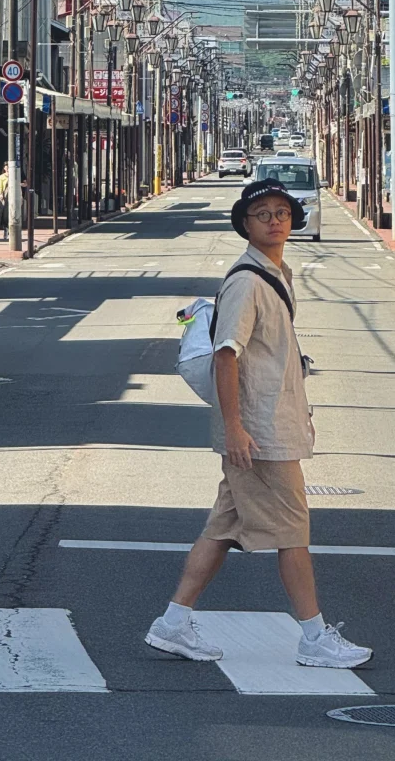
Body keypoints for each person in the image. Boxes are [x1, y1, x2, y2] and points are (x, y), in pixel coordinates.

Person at [145, 178, 372, 671]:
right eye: (263, 213)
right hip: (259, 433)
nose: (275, 220)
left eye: (282, 212)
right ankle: (314, 636)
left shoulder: (274, 273)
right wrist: (234, 427)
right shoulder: (248, 281)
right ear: (245, 224)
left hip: (265, 426)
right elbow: (227, 356)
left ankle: (172, 622)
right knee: (293, 534)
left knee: (223, 526)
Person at [0, 162, 10, 241]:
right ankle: (5, 230)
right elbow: (0, 187)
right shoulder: (1, 177)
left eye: (8, 167)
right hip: (5, 197)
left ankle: (10, 231)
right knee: (4, 215)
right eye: (6, 167)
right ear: (4, 168)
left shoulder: (14, 176)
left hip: (12, 197)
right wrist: (0, 195)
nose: (7, 168)